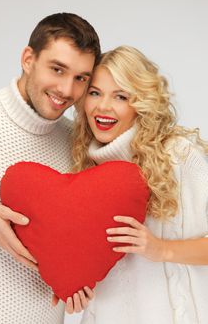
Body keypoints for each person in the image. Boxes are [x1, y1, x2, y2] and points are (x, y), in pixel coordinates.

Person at [0, 12, 100, 324]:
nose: (67, 90)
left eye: (81, 78)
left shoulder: (76, 142)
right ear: (28, 59)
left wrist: (79, 284)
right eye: (57, 69)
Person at [72, 46, 208, 324]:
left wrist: (160, 248)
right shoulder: (81, 165)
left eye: (120, 96)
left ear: (141, 102)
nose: (102, 107)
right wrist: (78, 289)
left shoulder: (180, 156)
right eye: (94, 93)